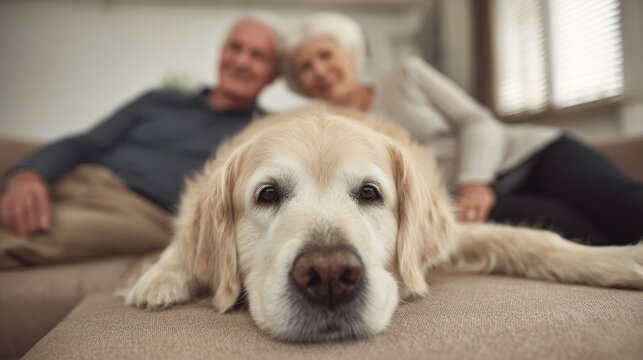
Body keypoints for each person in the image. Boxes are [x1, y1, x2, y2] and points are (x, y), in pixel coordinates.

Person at [280, 12, 643, 246]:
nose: (319, 71)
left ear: (350, 54)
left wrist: (475, 181)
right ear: (301, 84)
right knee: (574, 231)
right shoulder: (332, 131)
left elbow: (477, 120)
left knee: (621, 203)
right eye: (305, 67)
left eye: (325, 55)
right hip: (473, 206)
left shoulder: (407, 75)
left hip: (530, 154)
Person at [0, 12, 281, 267]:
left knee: (24, 234)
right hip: (77, 178)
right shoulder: (157, 101)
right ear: (222, 52)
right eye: (235, 47)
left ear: (273, 75)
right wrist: (29, 174)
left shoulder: (264, 133)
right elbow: (85, 143)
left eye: (258, 56)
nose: (241, 61)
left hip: (138, 210)